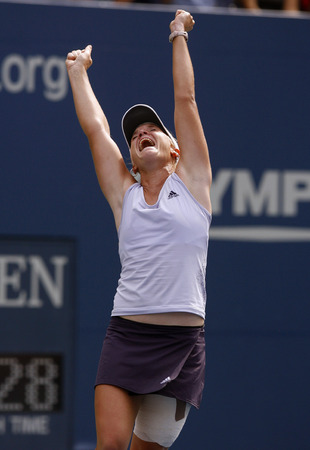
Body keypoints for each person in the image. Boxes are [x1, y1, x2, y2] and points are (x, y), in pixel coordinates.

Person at [66, 9, 212, 450]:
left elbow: (185, 100)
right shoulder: (123, 195)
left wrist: (178, 35)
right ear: (131, 156)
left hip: (183, 344)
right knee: (110, 446)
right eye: (136, 134)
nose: (143, 133)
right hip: (127, 335)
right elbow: (96, 129)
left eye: (154, 130)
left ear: (175, 150)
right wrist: (77, 73)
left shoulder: (195, 185)